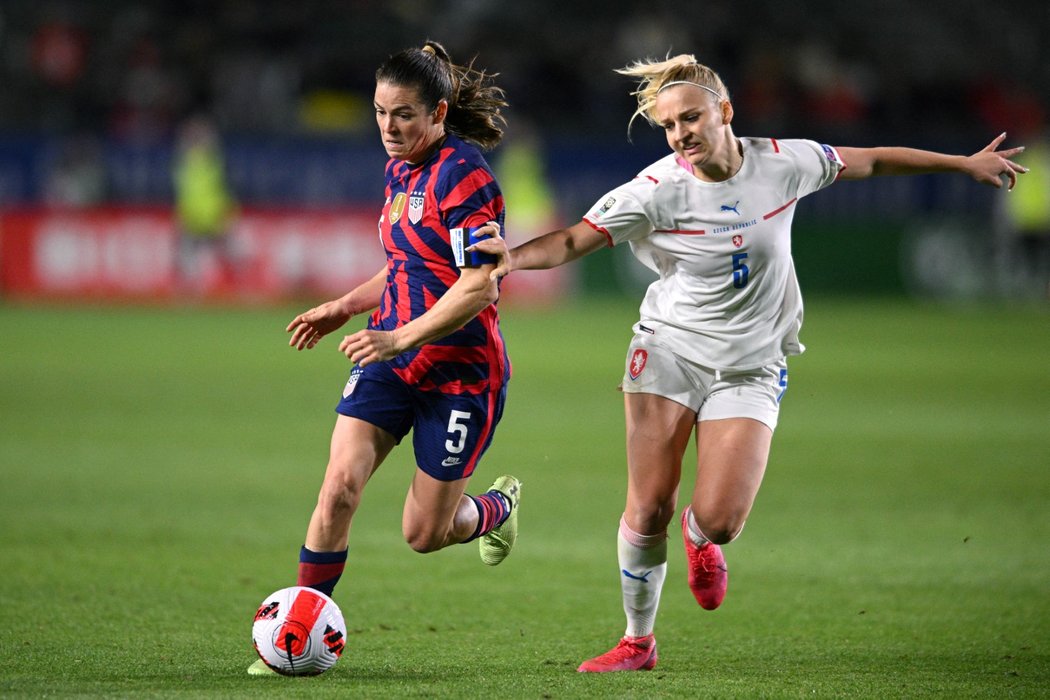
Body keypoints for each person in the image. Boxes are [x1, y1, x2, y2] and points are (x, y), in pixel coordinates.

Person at [469, 53, 1027, 673]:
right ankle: (638, 641)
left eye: (691, 118)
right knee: (648, 503)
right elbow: (575, 238)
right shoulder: (655, 190)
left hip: (751, 365)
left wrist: (961, 163)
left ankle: (701, 537)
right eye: (669, 125)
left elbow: (869, 160)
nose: (681, 134)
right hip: (670, 350)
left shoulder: (784, 162)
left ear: (724, 112)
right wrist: (511, 260)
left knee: (723, 519)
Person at [248, 40, 521, 675]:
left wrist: (398, 337)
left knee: (425, 534)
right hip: (389, 361)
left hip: (460, 376)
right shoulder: (401, 171)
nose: (389, 128)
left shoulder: (465, 176)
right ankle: (300, 630)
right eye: (379, 113)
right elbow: (406, 263)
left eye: (403, 114)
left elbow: (480, 284)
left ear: (439, 113)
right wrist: (345, 305)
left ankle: (496, 508)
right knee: (338, 488)